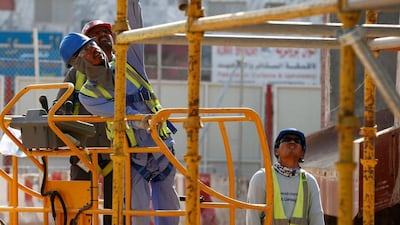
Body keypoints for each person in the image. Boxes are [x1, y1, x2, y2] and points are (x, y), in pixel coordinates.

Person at [58, 1, 181, 225]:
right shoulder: (88, 94)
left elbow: (134, 23)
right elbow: (119, 113)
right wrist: (140, 120)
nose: (95, 46)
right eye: (88, 47)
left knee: (169, 209)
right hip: (129, 155)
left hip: (161, 147)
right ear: (78, 63)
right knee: (135, 214)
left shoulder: (130, 61)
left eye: (95, 41)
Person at [55, 19, 114, 225]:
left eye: (105, 33)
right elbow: (58, 107)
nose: (103, 37)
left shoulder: (122, 68)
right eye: (96, 34)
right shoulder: (75, 74)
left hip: (116, 152)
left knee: (116, 212)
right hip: (84, 153)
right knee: (78, 210)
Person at [246, 128, 325, 225]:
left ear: (302, 153)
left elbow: (317, 217)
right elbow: (253, 217)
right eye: (286, 139)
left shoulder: (309, 182)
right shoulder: (262, 178)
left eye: (297, 141)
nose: (292, 142)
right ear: (276, 150)